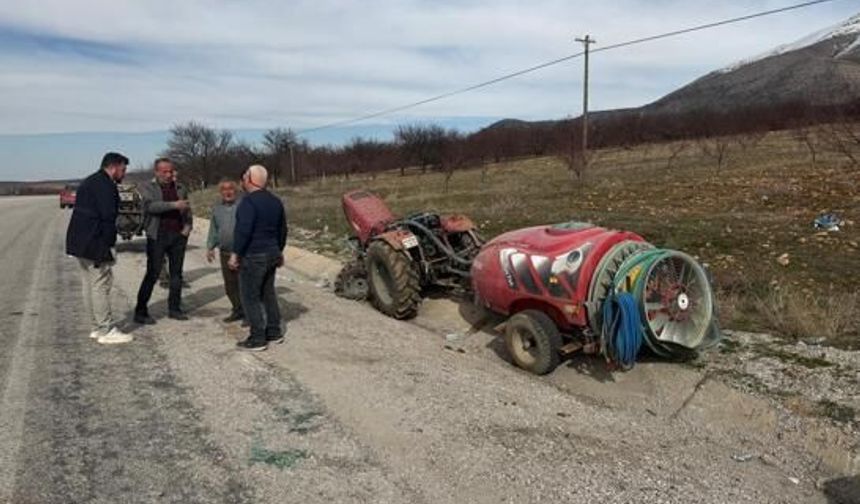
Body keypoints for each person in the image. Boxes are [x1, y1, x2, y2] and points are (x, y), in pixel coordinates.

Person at [65, 152, 133, 344]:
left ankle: (96, 327)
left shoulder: (90, 181)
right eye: (123, 169)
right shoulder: (105, 185)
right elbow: (108, 217)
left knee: (89, 284)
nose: (124, 173)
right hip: (95, 241)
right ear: (113, 166)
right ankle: (106, 329)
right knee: (100, 285)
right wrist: (109, 245)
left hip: (79, 240)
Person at [229, 164, 288, 351]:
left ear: (250, 180)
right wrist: (278, 250)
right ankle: (274, 331)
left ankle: (257, 338)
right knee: (268, 293)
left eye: (245, 175)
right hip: (271, 253)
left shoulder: (248, 202)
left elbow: (243, 231)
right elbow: (283, 230)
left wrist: (235, 254)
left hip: (253, 255)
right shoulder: (275, 201)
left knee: (250, 297)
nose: (243, 178)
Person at [133, 158, 193, 324]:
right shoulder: (147, 187)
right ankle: (141, 311)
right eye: (165, 171)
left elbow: (187, 209)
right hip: (157, 235)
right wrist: (173, 205)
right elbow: (151, 206)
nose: (169, 175)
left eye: (171, 171)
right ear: (157, 172)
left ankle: (174, 308)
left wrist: (188, 226)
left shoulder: (180, 188)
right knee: (152, 274)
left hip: (178, 236)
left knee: (176, 275)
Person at [206, 178, 244, 322]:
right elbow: (214, 229)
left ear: (236, 191)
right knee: (230, 286)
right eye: (224, 189)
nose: (227, 192)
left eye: (231, 189)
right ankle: (237, 309)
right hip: (225, 252)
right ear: (220, 192)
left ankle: (249, 313)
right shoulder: (217, 208)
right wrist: (210, 246)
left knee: (244, 284)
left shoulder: (243, 206)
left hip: (242, 252)